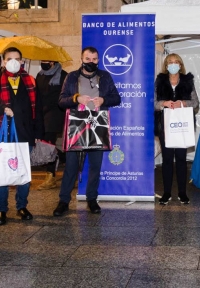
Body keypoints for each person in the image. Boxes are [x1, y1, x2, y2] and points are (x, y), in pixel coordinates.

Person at [53, 47, 120, 216]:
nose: (91, 62)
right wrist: (76, 98)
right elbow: (61, 101)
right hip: (76, 124)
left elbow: (117, 98)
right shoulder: (71, 77)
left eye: (95, 59)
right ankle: (63, 201)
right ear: (81, 59)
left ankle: (92, 199)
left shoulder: (105, 76)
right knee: (71, 166)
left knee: (95, 166)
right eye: (88, 58)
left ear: (98, 60)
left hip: (98, 124)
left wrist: (104, 99)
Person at [0, 47, 44, 226]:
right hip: (3, 134)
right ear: (3, 61)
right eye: (10, 58)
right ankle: (2, 209)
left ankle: (22, 206)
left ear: (22, 61)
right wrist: (3, 108)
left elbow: (38, 109)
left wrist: (38, 134)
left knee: (24, 173)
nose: (13, 61)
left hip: (26, 134)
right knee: (2, 174)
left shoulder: (30, 81)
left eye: (17, 59)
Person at [154, 53, 199, 205]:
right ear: (166, 66)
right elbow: (153, 102)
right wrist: (163, 103)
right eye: (170, 62)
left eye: (176, 62)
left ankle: (182, 193)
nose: (173, 64)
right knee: (167, 159)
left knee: (181, 159)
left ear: (180, 64)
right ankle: (166, 193)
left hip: (182, 126)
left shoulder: (188, 81)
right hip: (164, 126)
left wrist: (183, 103)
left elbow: (195, 102)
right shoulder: (159, 81)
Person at [35, 60, 68, 190]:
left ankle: (50, 177)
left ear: (53, 62)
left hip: (55, 113)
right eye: (42, 60)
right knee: (45, 143)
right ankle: (66, 157)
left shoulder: (63, 75)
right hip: (42, 113)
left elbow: (63, 95)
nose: (44, 63)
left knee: (48, 142)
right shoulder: (40, 75)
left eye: (46, 61)